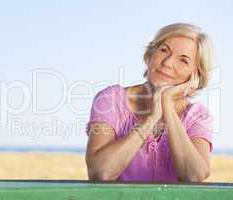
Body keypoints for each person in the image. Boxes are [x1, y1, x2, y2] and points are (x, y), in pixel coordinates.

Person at [85, 23, 214, 183]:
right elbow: (100, 173)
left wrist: (166, 104)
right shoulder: (110, 99)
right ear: (150, 55)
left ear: (195, 76)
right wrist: (152, 119)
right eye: (164, 50)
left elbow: (194, 176)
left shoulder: (198, 116)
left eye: (183, 60)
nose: (167, 63)